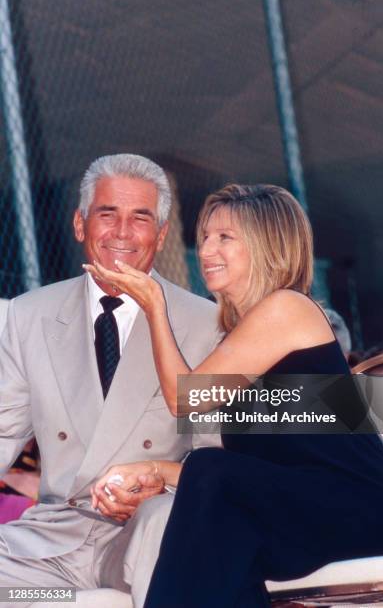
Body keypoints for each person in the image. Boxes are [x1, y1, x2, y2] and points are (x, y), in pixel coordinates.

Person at [86, 183, 383, 608]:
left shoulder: (288, 309)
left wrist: (154, 306)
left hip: (358, 513)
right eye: (204, 236)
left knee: (216, 504)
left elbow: (185, 402)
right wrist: (150, 471)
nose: (206, 250)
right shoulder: (237, 340)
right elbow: (249, 475)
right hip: (300, 510)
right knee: (224, 533)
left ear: (269, 245)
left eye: (225, 237)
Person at [0, 154, 220, 607]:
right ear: (80, 224)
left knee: (166, 525)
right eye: (107, 214)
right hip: (51, 547)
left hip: (147, 532)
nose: (122, 232)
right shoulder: (28, 315)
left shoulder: (207, 324)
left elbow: (219, 456)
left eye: (140, 218)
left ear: (160, 235)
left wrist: (159, 485)